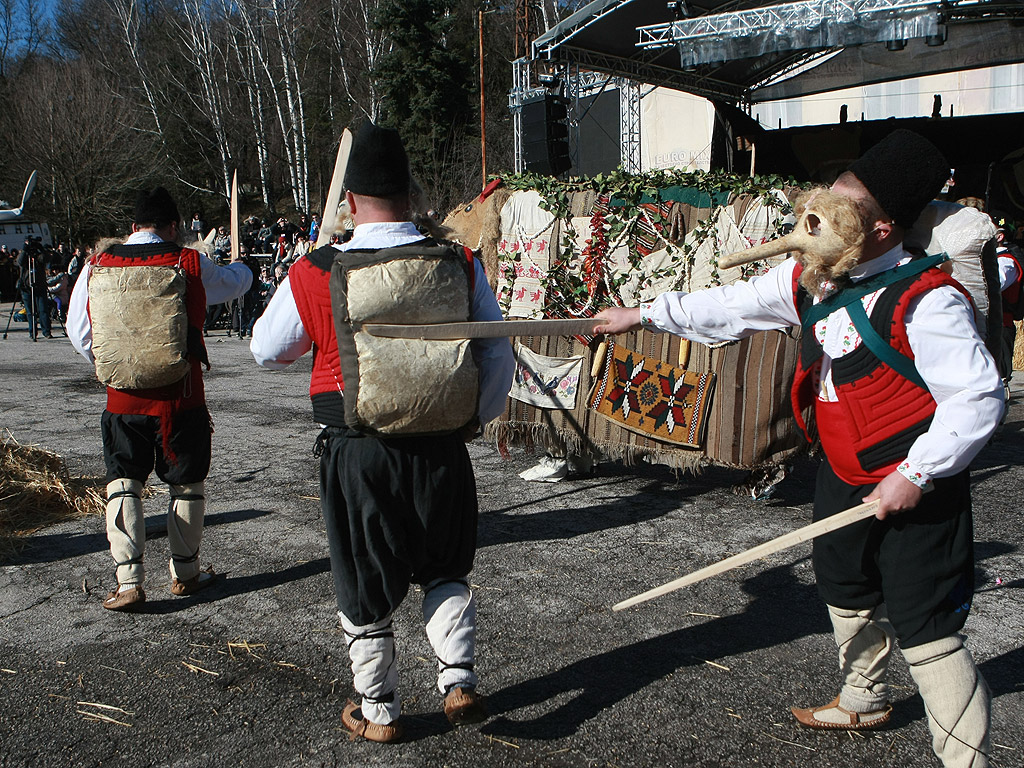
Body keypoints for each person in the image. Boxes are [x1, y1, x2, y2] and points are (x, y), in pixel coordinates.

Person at [595, 130, 1004, 768]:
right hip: (843, 472)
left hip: (914, 486)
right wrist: (645, 316)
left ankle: (967, 762)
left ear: (883, 230)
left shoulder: (930, 302)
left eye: (839, 215)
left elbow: (978, 398)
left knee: (929, 633)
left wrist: (917, 475)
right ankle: (863, 697)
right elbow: (735, 304)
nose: (812, 229)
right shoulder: (811, 277)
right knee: (844, 589)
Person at [251, 123, 515, 743]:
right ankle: (458, 681)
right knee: (446, 568)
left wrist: (310, 290)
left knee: (363, 580)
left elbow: (267, 350)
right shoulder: (459, 261)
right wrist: (474, 416)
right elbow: (497, 353)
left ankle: (379, 713)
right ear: (413, 192)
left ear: (349, 201)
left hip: (358, 453)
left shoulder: (316, 270)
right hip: (442, 447)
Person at [68, 186, 252, 611]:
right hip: (180, 398)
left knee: (123, 484)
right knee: (186, 487)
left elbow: (79, 330)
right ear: (174, 227)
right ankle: (185, 573)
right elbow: (234, 284)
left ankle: (129, 581)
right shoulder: (187, 260)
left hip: (122, 399)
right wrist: (242, 268)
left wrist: (114, 367)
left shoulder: (97, 264)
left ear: (132, 227)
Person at [995, 221, 1022, 382]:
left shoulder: (1005, 262)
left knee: (999, 377)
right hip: (993, 325)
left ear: (999, 236)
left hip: (1001, 325)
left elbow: (994, 285)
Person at [16, 237, 51, 339]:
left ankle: (46, 331)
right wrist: (24, 250)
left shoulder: (38, 255)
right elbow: (20, 262)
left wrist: (41, 249)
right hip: (26, 286)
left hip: (40, 285)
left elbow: (46, 259)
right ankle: (33, 332)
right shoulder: (24, 254)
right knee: (30, 311)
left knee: (43, 310)